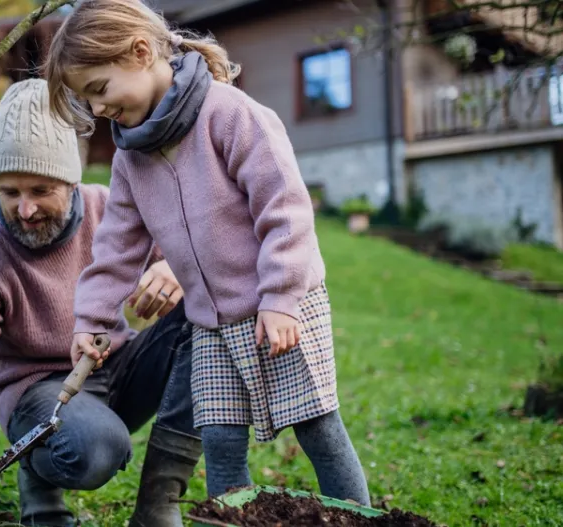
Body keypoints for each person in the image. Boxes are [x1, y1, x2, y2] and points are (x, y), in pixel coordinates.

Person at [42, 0, 372, 504]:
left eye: (100, 90)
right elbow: (117, 246)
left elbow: (285, 210)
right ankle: (231, 517)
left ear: (140, 51)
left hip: (281, 306)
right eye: (88, 101)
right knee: (218, 439)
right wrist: (92, 318)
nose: (99, 109)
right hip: (210, 325)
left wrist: (280, 298)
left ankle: (358, 517)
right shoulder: (131, 154)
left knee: (317, 427)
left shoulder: (230, 114)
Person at [0, 78, 202, 527]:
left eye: (41, 191)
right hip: (37, 391)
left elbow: (208, 253)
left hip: (116, 366)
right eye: (9, 192)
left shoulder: (110, 209)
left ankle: (159, 503)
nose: (24, 209)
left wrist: (179, 266)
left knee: (210, 316)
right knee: (96, 449)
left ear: (72, 180)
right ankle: (38, 476)